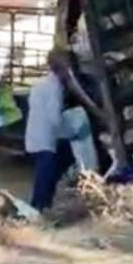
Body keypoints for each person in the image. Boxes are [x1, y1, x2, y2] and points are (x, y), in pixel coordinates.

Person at [26, 50, 76, 210]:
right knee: (45, 177)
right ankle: (39, 208)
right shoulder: (55, 88)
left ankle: (42, 206)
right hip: (45, 139)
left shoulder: (40, 84)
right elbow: (55, 119)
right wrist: (72, 132)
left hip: (35, 136)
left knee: (47, 175)